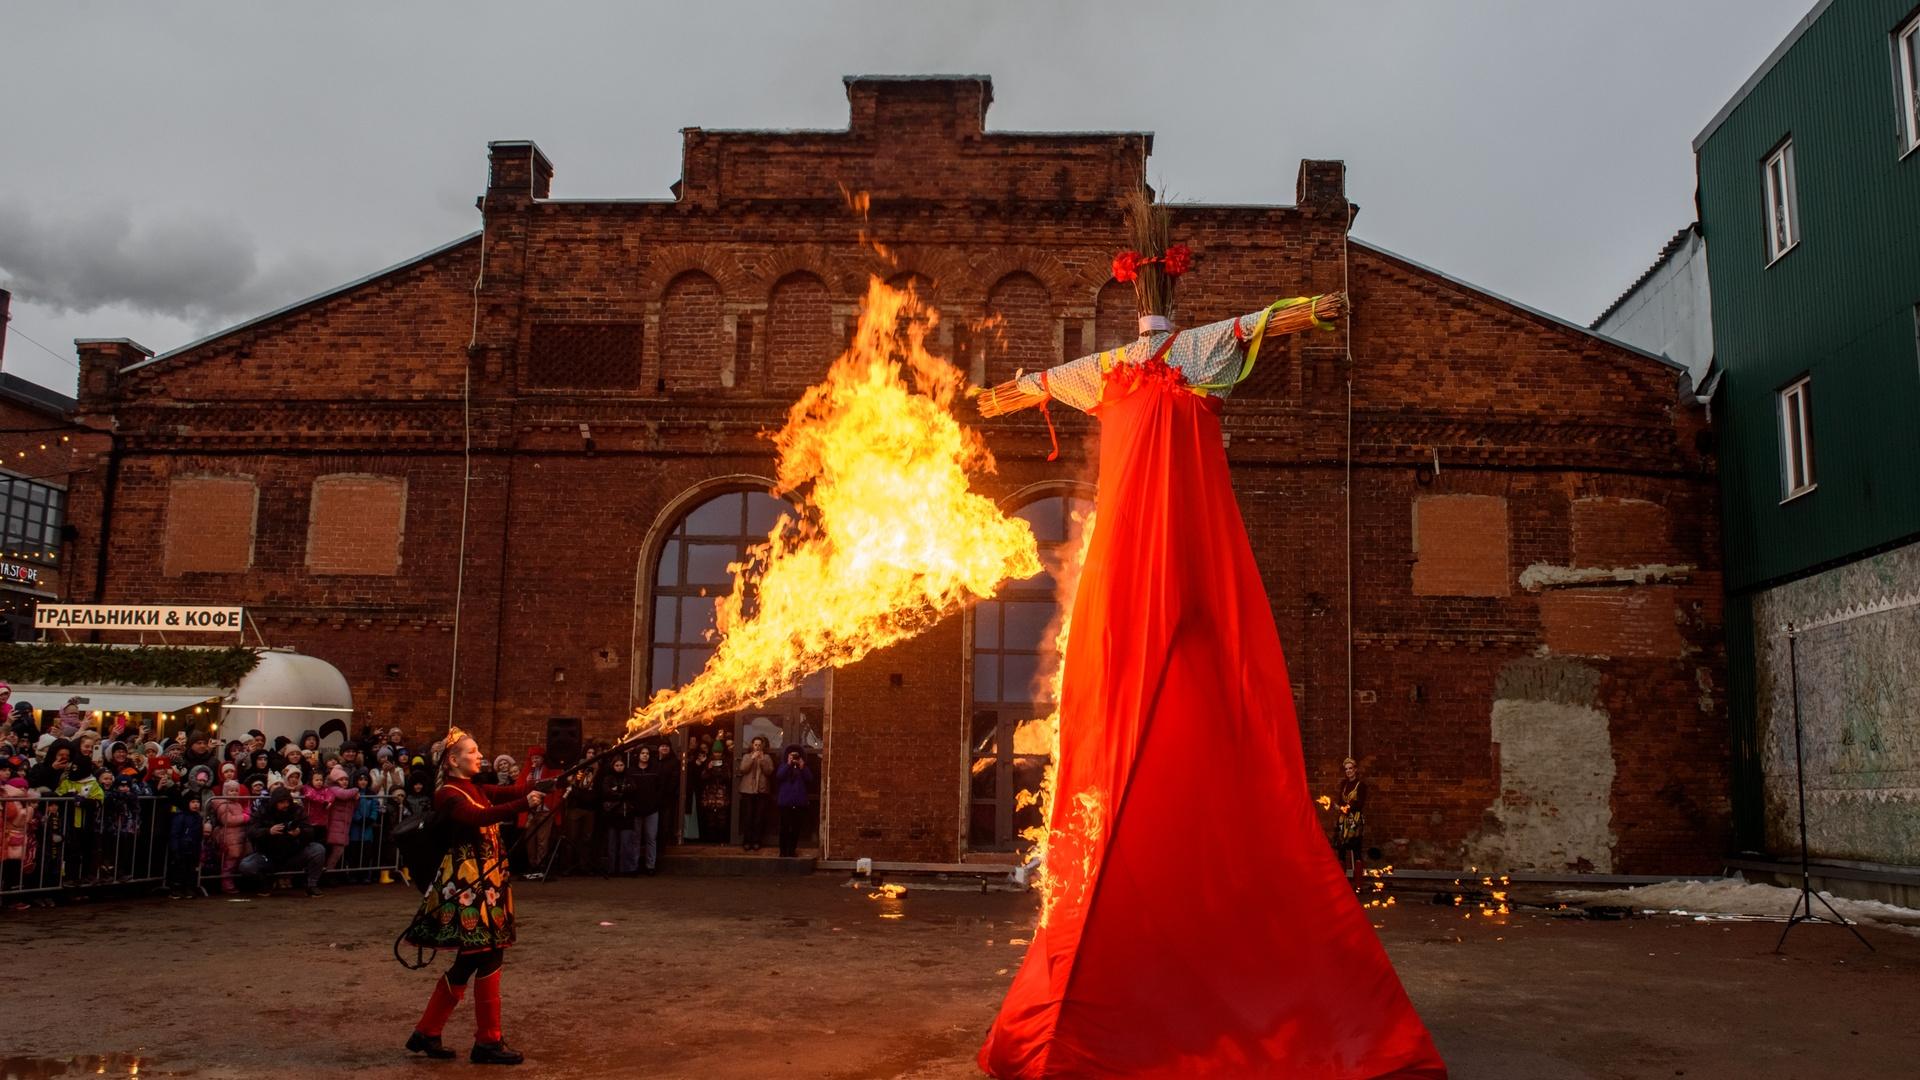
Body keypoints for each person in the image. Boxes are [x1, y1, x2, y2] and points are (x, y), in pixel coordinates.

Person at [402, 724, 541, 1065]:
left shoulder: (472, 786)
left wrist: (548, 783)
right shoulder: (450, 794)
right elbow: (479, 817)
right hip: (468, 889)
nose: (480, 756)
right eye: (473, 752)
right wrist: (525, 802)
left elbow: (511, 791)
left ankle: (428, 1032)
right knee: (486, 956)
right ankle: (486, 1042)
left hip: (486, 887)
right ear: (453, 760)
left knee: (474, 960)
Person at [237, 786, 327, 896]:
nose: (286, 805)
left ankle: (312, 885)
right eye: (282, 802)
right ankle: (265, 883)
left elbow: (310, 831)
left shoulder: (297, 810)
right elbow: (251, 831)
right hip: (268, 855)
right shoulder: (263, 811)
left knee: (318, 849)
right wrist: (268, 831)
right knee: (246, 865)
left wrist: (300, 832)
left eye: (287, 802)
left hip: (294, 854)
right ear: (274, 802)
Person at [594, 753, 640, 875]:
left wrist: (617, 789)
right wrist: (622, 790)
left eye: (621, 765)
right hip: (613, 814)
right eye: (617, 765)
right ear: (613, 766)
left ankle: (626, 869)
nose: (619, 767)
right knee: (612, 844)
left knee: (626, 844)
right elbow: (606, 792)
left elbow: (633, 790)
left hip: (626, 814)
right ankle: (612, 869)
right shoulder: (608, 778)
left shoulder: (629, 777)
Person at [1333, 756, 1369, 887]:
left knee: (1356, 849)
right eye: (1346, 769)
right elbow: (1341, 800)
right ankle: (1342, 884)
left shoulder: (1361, 785)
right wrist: (1339, 807)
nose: (1348, 771)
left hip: (1355, 821)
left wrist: (1346, 808)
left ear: (1355, 769)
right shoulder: (1344, 784)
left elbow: (1359, 804)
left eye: (1350, 768)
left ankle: (1358, 885)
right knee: (1341, 849)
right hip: (1343, 821)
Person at [211, 779, 251, 894]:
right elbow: (227, 820)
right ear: (225, 792)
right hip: (229, 838)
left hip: (239, 837)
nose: (234, 793)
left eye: (236, 791)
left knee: (237, 861)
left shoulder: (237, 804)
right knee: (229, 863)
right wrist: (244, 817)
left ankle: (235, 883)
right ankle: (226, 884)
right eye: (231, 791)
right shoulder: (223, 805)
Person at [736, 737, 774, 852]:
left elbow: (769, 771)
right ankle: (747, 841)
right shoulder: (747, 756)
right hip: (748, 791)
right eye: (755, 744)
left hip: (761, 791)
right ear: (752, 745)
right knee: (748, 817)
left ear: (762, 746)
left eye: (759, 744)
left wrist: (762, 760)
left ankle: (757, 841)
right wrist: (751, 759)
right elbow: (743, 769)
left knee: (758, 818)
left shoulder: (767, 757)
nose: (757, 746)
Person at [774, 745, 812, 858]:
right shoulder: (783, 765)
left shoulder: (803, 767)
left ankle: (791, 850)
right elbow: (779, 776)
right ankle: (783, 850)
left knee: (795, 828)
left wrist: (802, 766)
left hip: (799, 802)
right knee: (784, 827)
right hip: (785, 802)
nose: (794, 757)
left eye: (796, 755)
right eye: (792, 755)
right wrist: (788, 764)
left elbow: (810, 779)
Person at [167, 793, 205, 898]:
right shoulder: (180, 817)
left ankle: (188, 888)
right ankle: (176, 889)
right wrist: (175, 849)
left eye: (198, 802)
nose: (196, 805)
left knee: (191, 869)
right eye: (193, 802)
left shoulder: (198, 817)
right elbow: (174, 834)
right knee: (179, 869)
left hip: (193, 848)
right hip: (181, 848)